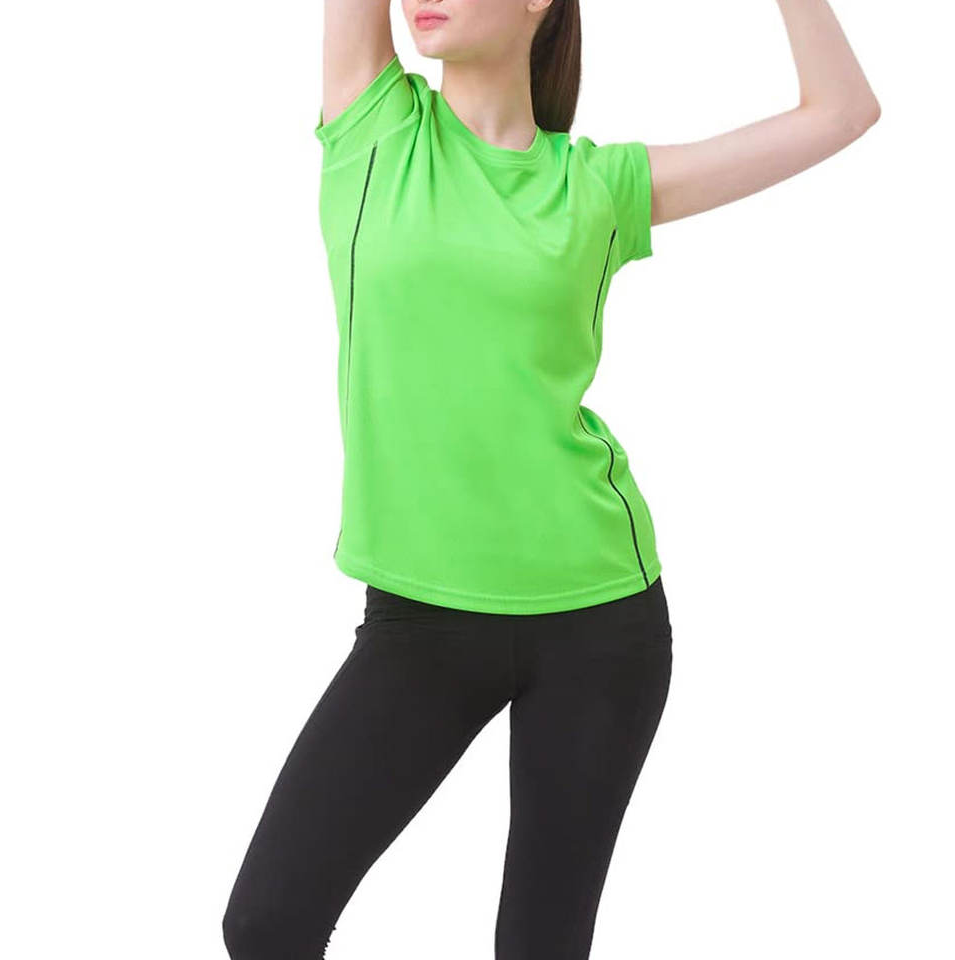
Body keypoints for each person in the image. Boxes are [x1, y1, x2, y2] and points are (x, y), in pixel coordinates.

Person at [222, 1, 880, 957]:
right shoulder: (373, 127)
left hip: (600, 623)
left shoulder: (599, 186)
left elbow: (842, 111)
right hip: (420, 625)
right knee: (267, 921)